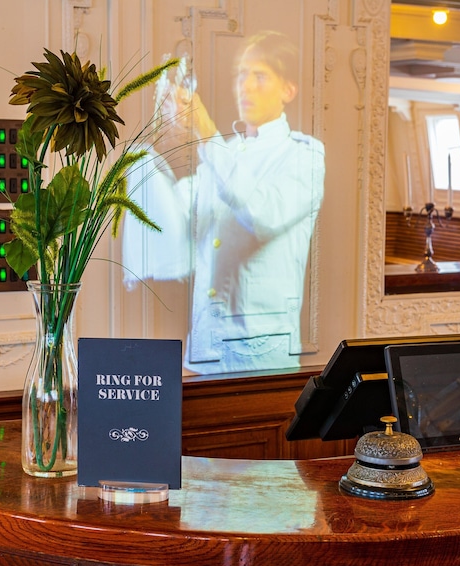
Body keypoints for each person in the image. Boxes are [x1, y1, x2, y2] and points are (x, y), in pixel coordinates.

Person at [123, 31, 326, 374]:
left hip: (261, 355)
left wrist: (205, 133)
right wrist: (147, 160)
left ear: (287, 90)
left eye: (259, 75)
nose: (245, 86)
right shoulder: (224, 152)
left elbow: (261, 214)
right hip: (206, 349)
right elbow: (182, 217)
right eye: (241, 75)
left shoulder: (303, 155)